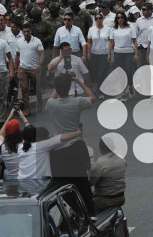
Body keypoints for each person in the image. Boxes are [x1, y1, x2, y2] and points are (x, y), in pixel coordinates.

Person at [45, 72, 96, 213]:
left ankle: (73, 211)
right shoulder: (77, 102)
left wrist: (60, 83)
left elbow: (52, 96)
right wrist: (78, 81)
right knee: (82, 182)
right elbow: (92, 97)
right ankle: (90, 213)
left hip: (58, 148)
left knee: (61, 183)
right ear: (69, 88)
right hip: (75, 146)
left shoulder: (51, 104)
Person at [90, 135, 127, 211]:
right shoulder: (122, 160)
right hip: (121, 198)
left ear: (100, 148)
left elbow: (91, 182)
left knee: (81, 207)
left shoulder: (101, 163)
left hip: (107, 200)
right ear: (113, 147)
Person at [15, 23, 44, 116]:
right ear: (22, 32)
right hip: (23, 68)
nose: (26, 33)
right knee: (24, 89)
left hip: (34, 69)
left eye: (28, 31)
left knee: (37, 88)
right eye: (24, 31)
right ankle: (27, 109)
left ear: (31, 31)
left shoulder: (37, 41)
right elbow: (17, 55)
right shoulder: (19, 41)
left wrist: (39, 64)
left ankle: (40, 103)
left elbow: (42, 53)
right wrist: (16, 68)